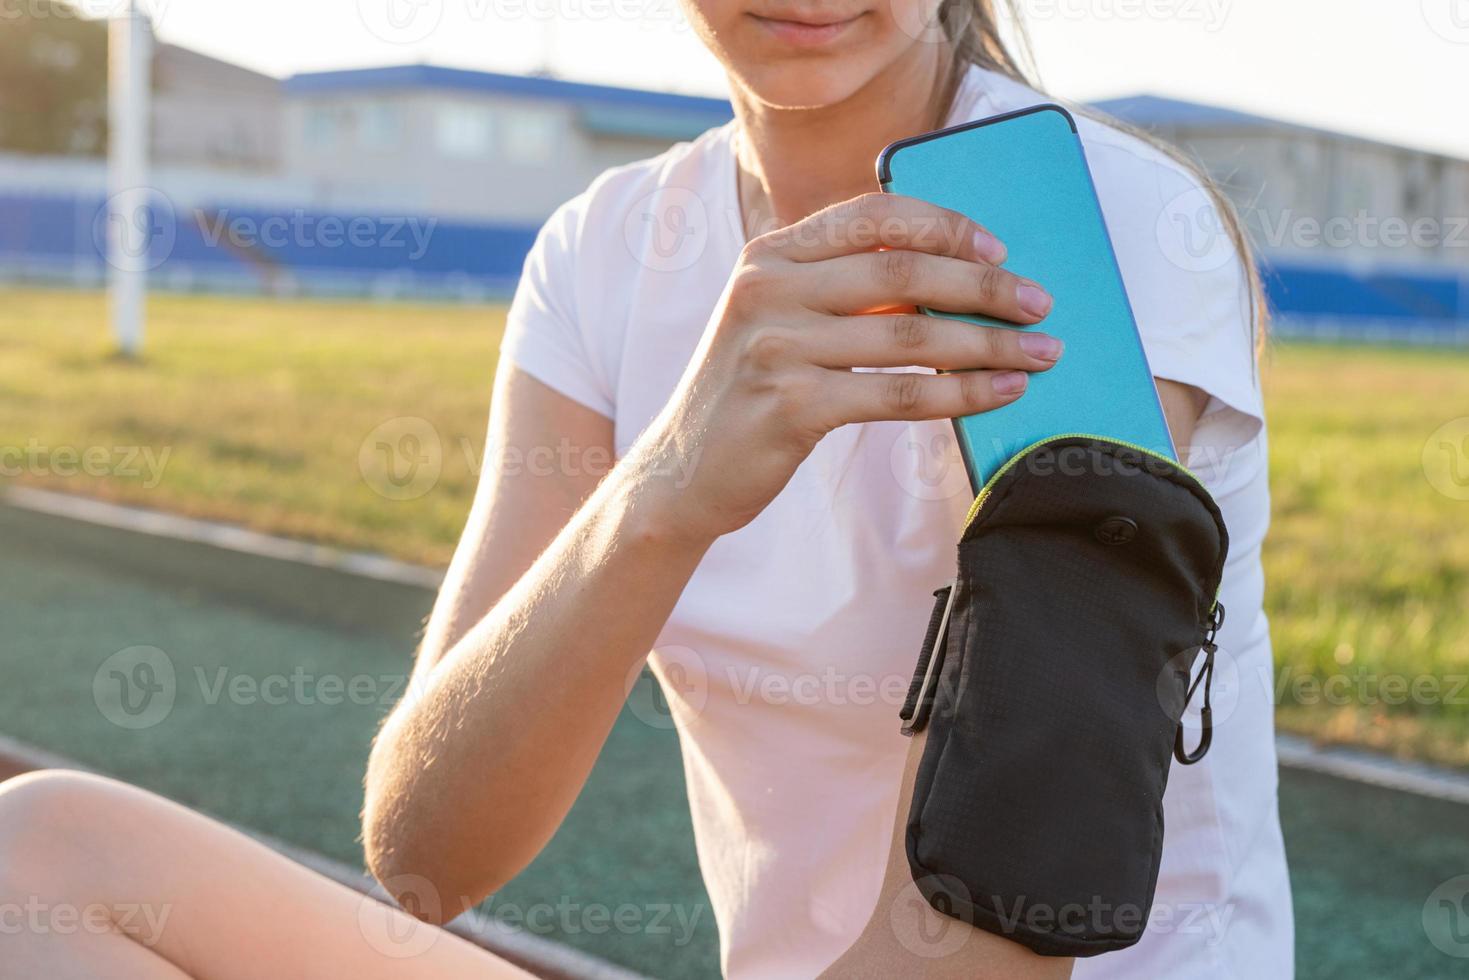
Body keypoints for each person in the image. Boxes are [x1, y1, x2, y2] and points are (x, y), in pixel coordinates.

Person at [1, 1, 1291, 977]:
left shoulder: (1086, 220)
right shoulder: (605, 246)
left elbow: (1005, 915)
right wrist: (662, 491)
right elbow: (432, 854)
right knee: (42, 859)